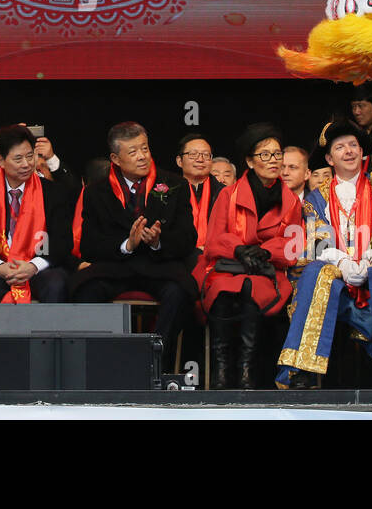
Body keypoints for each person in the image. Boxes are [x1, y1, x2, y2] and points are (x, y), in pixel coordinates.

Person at [277, 120, 372, 389]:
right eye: (340, 147)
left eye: (353, 145)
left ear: (363, 153)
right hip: (336, 274)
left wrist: (368, 260)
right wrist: (342, 261)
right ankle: (303, 370)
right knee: (317, 272)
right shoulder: (316, 197)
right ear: (330, 158)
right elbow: (317, 240)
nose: (349, 151)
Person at [72, 122, 197, 353]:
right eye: (133, 152)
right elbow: (89, 245)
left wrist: (158, 242)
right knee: (85, 290)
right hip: (115, 267)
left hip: (159, 267)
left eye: (145, 149)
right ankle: (105, 361)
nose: (142, 157)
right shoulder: (95, 191)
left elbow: (188, 238)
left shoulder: (175, 185)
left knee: (180, 293)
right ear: (116, 159)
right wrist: (126, 245)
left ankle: (154, 361)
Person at [194, 124, 302, 389]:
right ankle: (221, 370)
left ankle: (246, 370)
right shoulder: (229, 195)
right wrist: (240, 249)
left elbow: (293, 244)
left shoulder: (291, 201)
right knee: (222, 288)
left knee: (253, 289)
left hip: (265, 268)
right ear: (250, 161)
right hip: (229, 264)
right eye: (265, 155)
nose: (273, 160)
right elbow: (214, 238)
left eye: (277, 154)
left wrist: (266, 250)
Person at [0, 125, 71, 333]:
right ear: (1, 160)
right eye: (18, 159)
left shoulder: (53, 192)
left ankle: (51, 359)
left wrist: (33, 266)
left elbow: (62, 241)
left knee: (57, 283)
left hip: (38, 267)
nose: (27, 164)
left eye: (30, 156)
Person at [177, 133, 226, 248]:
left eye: (206, 155)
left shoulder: (225, 193)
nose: (200, 159)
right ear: (179, 161)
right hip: (178, 256)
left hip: (215, 254)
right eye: (193, 154)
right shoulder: (169, 191)